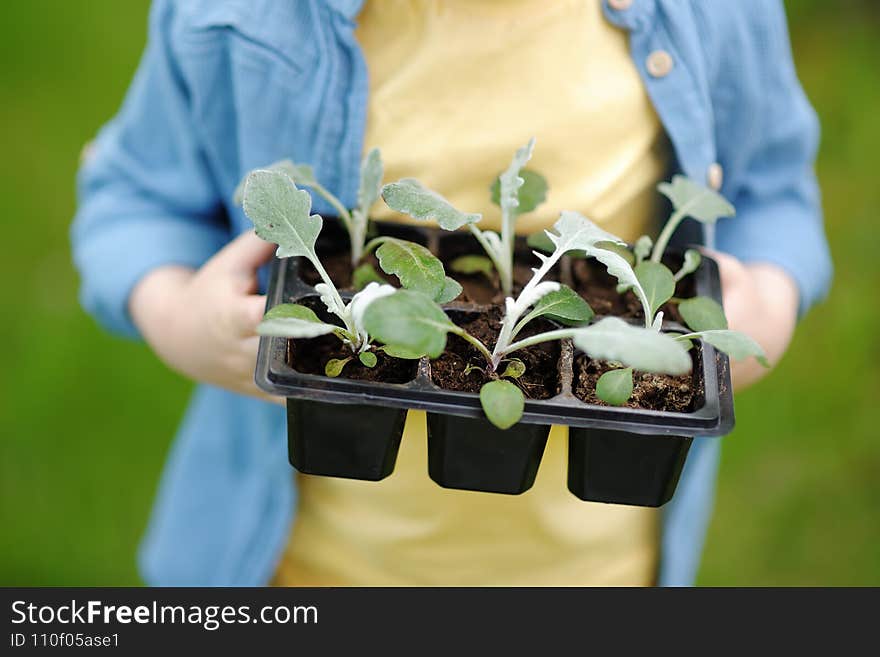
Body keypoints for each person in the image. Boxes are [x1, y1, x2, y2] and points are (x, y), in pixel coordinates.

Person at [72, 0, 831, 586]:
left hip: (596, 567)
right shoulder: (237, 18)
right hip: (304, 564)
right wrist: (177, 316)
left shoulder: (715, 15)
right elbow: (133, 196)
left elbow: (772, 189)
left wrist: (768, 298)